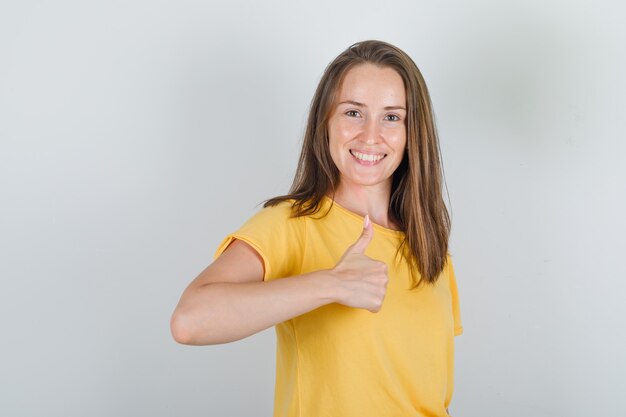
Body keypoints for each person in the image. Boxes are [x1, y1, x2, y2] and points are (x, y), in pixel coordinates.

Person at [170, 40, 463, 417]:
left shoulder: (429, 246)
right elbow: (189, 321)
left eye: (392, 117)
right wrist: (332, 283)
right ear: (325, 121)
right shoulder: (293, 223)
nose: (371, 135)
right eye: (353, 112)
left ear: (411, 134)